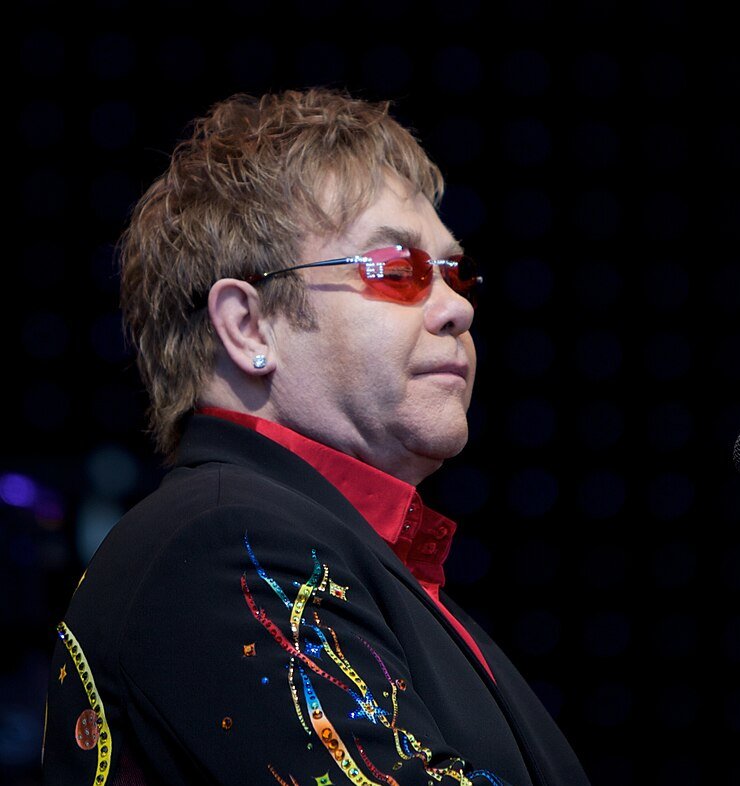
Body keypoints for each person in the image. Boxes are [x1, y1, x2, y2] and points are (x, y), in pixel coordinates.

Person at [42, 87, 590, 786]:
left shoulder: (348, 556)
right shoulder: (219, 544)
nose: (456, 308)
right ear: (248, 326)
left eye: (456, 274)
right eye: (397, 271)